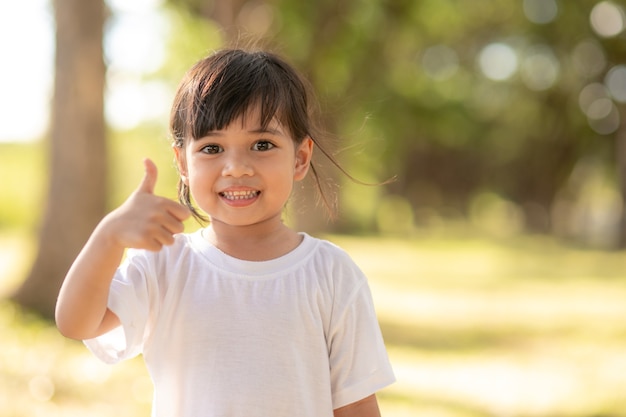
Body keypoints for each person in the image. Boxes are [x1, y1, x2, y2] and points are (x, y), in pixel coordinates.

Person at [55, 48, 395, 417]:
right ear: (183, 163)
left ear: (300, 158)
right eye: (212, 148)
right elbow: (76, 322)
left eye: (262, 145)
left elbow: (357, 403)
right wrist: (109, 237)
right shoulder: (165, 263)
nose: (235, 168)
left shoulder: (331, 273)